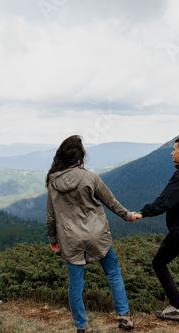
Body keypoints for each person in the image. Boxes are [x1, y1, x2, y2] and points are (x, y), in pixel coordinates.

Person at [46, 135, 138, 332]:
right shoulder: (90, 177)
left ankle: (81, 326)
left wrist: (53, 238)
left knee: (75, 285)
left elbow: (51, 215)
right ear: (80, 156)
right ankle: (123, 317)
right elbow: (110, 202)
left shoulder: (53, 182)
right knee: (113, 272)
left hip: (70, 237)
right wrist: (128, 216)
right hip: (97, 234)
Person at [135, 136, 179, 322]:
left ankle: (176, 307)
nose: (171, 153)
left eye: (174, 149)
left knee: (159, 263)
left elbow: (166, 200)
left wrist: (143, 212)